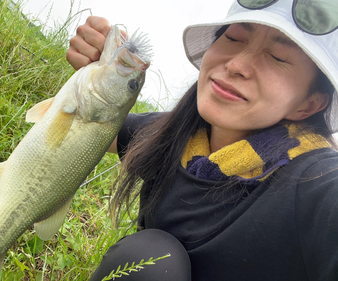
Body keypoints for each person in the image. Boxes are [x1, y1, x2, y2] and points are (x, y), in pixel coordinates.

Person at [67, 0, 338, 280]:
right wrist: (94, 82)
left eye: (278, 57)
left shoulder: (318, 182)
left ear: (309, 105)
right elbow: (96, 132)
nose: (236, 64)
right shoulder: (181, 136)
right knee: (149, 258)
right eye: (233, 37)